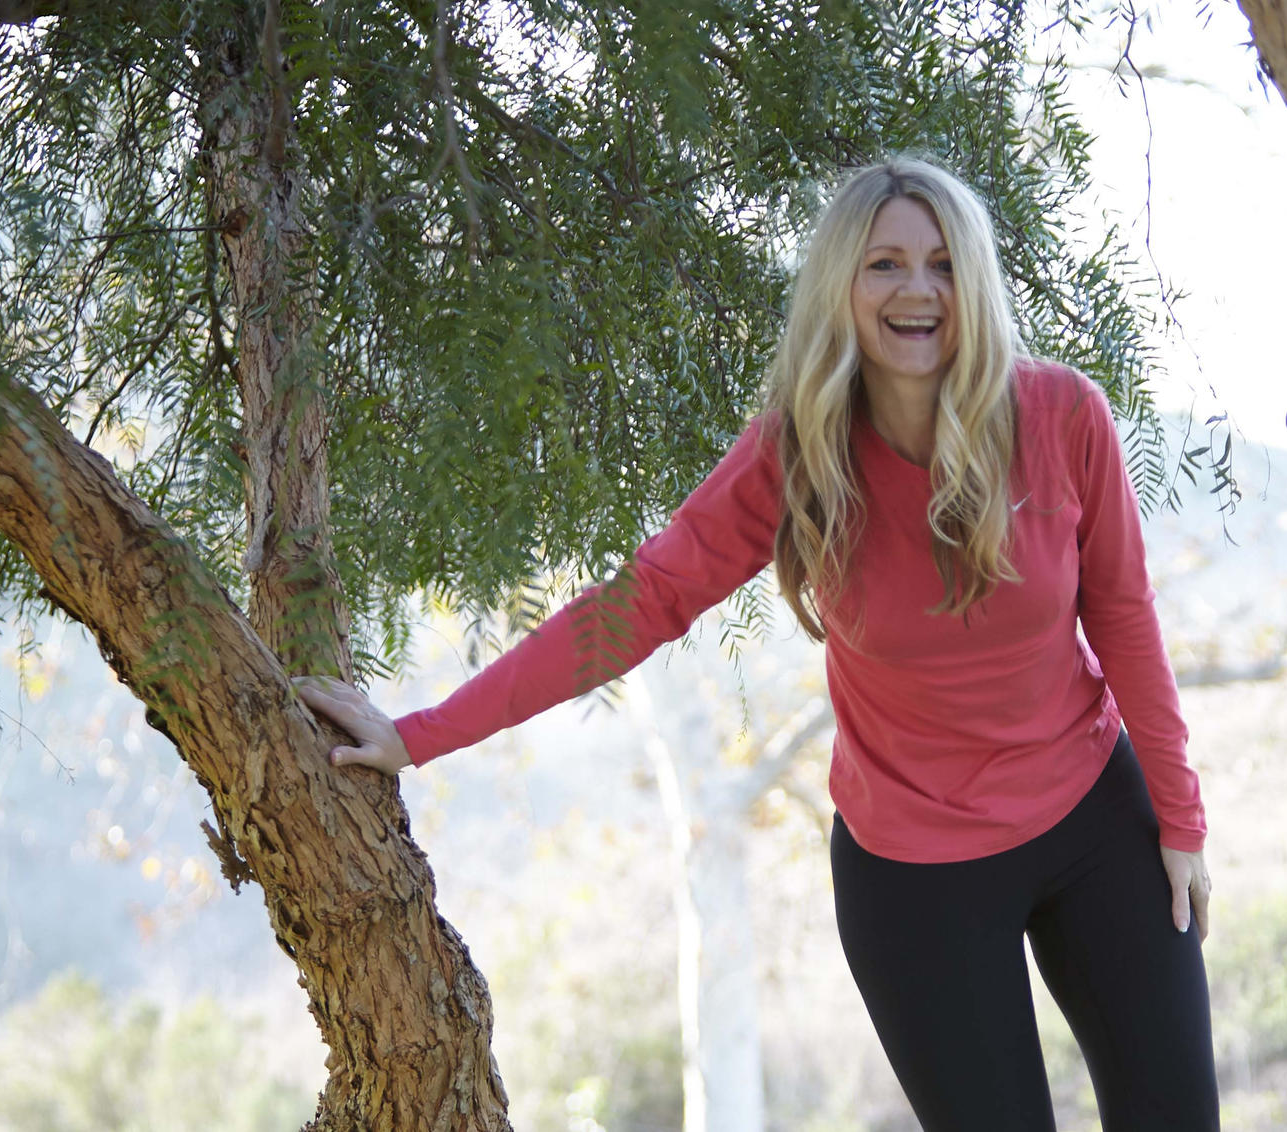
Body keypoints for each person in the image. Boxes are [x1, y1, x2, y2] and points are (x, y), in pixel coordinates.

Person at [291, 157, 1219, 1131]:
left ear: (976, 282)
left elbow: (1125, 619)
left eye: (944, 264)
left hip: (1094, 820)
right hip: (918, 873)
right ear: (842, 285)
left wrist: (1182, 820)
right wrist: (420, 733)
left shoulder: (1062, 416)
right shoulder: (799, 455)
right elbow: (640, 603)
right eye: (886, 264)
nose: (918, 290)